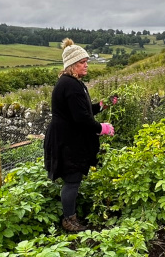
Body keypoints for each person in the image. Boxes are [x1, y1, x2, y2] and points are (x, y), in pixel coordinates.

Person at [44, 39, 116, 232]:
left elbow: (84, 111)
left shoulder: (74, 83)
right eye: (82, 62)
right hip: (67, 140)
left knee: (73, 179)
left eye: (86, 61)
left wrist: (102, 105)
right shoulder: (70, 86)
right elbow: (81, 119)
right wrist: (102, 128)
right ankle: (69, 220)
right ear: (72, 66)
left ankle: (71, 216)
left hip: (69, 137)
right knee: (72, 180)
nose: (86, 65)